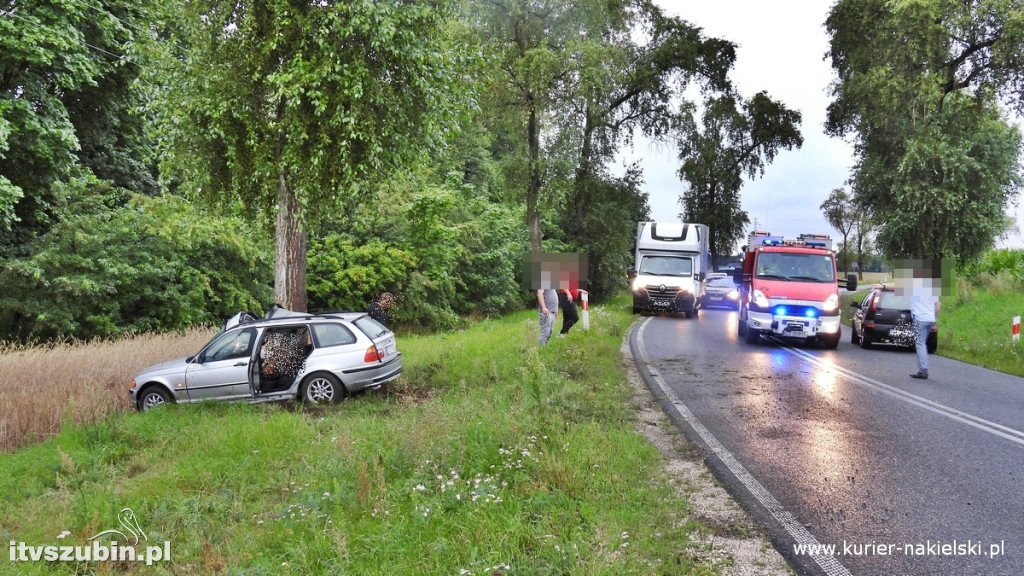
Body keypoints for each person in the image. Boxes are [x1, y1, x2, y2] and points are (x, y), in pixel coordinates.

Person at [909, 272, 940, 380]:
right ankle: (922, 369)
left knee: (920, 344)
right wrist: (934, 319)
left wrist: (883, 286)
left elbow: (897, 287)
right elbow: (938, 305)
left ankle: (923, 371)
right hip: (929, 319)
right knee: (923, 343)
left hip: (920, 319)